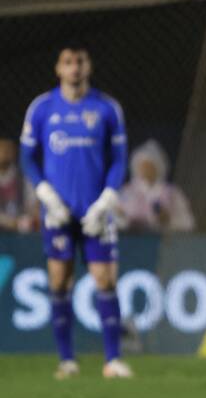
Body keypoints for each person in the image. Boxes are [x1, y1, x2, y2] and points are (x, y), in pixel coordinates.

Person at [19, 42, 133, 379]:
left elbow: (119, 160)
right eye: (68, 62)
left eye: (80, 61)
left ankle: (112, 360)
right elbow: (27, 157)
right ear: (58, 68)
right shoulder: (41, 109)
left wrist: (107, 200)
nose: (75, 68)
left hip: (96, 211)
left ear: (89, 65)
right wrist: (45, 195)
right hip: (58, 212)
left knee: (105, 279)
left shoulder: (107, 109)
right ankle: (67, 360)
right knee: (59, 280)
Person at [118, 138, 195, 233]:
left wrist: (168, 220)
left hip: (162, 243)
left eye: (150, 166)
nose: (145, 170)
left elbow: (187, 223)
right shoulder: (126, 192)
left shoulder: (172, 193)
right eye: (142, 166)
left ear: (159, 167)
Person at [0, 137, 37, 232]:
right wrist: (10, 223)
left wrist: (29, 218)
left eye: (8, 147)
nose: (5, 151)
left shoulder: (23, 176)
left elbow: (33, 204)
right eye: (1, 147)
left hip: (20, 233)